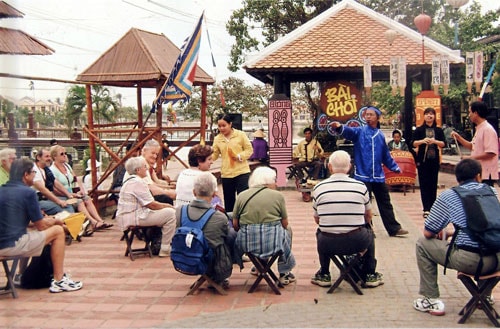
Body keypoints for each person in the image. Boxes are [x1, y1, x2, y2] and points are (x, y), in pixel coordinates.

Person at [413, 158, 500, 316]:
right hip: (497, 259)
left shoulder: (449, 196)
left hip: (470, 261)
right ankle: (485, 294)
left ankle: (431, 299)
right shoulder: (491, 191)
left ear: (457, 178)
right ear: (479, 176)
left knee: (422, 244)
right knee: (483, 243)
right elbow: (486, 226)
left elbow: (428, 232)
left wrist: (445, 232)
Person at [0, 158, 83, 293]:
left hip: (3, 242)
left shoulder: (2, 190)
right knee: (58, 231)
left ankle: (21, 274)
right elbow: (41, 226)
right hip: (10, 245)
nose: (34, 175)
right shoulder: (28, 192)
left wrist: (44, 220)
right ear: (25, 175)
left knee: (29, 232)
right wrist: (56, 220)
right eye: (33, 172)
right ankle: (59, 279)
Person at [331, 106, 408, 237]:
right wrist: (339, 127)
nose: (368, 117)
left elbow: (385, 155)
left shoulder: (380, 135)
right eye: (366, 114)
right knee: (364, 204)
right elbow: (348, 131)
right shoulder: (360, 132)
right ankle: (367, 229)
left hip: (378, 175)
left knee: (385, 202)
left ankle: (393, 228)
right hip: (362, 174)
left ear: (377, 117)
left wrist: (394, 167)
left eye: (371, 115)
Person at [310, 150, 383, 288]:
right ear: (350, 167)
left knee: (320, 231)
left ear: (329, 167)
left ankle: (324, 273)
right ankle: (370, 274)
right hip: (356, 242)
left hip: (328, 243)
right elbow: (368, 216)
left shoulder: (318, 187)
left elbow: (317, 220)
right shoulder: (360, 187)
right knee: (369, 231)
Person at [233, 166, 296, 285]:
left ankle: (259, 265)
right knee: (287, 230)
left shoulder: (242, 195)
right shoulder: (278, 196)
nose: (276, 184)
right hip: (274, 244)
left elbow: (235, 225)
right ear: (268, 181)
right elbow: (285, 223)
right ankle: (284, 272)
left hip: (247, 245)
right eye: (274, 180)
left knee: (258, 232)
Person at [175, 172, 233, 287]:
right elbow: (226, 235)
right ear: (214, 194)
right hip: (210, 261)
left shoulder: (179, 211)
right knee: (231, 235)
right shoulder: (219, 216)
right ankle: (217, 276)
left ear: (194, 192)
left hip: (185, 257)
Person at [116, 157, 176, 257]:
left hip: (129, 216)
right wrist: (169, 206)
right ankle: (165, 248)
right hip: (134, 217)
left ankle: (160, 243)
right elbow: (152, 204)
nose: (147, 169)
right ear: (138, 170)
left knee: (166, 211)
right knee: (171, 214)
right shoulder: (137, 182)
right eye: (144, 167)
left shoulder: (130, 181)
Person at [49, 145, 112, 231]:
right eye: (62, 154)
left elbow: (75, 180)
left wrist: (81, 191)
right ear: (54, 156)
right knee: (80, 202)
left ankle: (100, 220)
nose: (64, 155)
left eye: (65, 153)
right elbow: (55, 189)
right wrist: (71, 194)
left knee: (87, 198)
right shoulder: (52, 170)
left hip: (73, 193)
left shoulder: (67, 166)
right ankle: (93, 222)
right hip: (62, 195)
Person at [451, 101, 499, 187]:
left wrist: (470, 158)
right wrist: (458, 138)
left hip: (486, 173)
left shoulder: (487, 129)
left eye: (470, 112)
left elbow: (491, 153)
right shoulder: (480, 128)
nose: (469, 115)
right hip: (479, 172)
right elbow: (472, 146)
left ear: (476, 113)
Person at [212, 114, 253, 212]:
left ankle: (244, 219)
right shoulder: (217, 139)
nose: (221, 128)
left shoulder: (240, 135)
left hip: (242, 171)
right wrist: (204, 157)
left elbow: (249, 150)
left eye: (224, 125)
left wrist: (239, 156)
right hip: (227, 173)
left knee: (243, 199)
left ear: (230, 124)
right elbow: (215, 154)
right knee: (229, 201)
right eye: (219, 126)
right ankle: (230, 222)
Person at [411, 108, 446, 218]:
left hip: (434, 160)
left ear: (435, 116)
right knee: (424, 183)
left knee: (433, 183)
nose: (429, 116)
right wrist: (423, 141)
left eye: (431, 114)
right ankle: (426, 208)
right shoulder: (419, 130)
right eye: (427, 114)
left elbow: (443, 144)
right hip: (422, 160)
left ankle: (433, 207)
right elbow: (413, 143)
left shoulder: (438, 130)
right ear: (424, 116)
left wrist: (435, 141)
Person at [123, 139, 176, 205]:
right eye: (153, 153)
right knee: (166, 200)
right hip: (135, 203)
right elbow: (152, 189)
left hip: (138, 199)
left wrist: (169, 188)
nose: (155, 156)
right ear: (144, 150)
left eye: (156, 154)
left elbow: (151, 185)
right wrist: (172, 193)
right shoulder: (141, 165)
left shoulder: (143, 163)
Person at [32, 148, 75, 216]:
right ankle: (72, 223)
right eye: (46, 156)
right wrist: (59, 201)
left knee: (71, 201)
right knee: (65, 206)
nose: (49, 158)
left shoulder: (45, 169)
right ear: (38, 157)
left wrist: (69, 195)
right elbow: (43, 190)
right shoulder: (33, 169)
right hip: (36, 201)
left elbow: (55, 182)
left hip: (46, 198)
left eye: (50, 156)